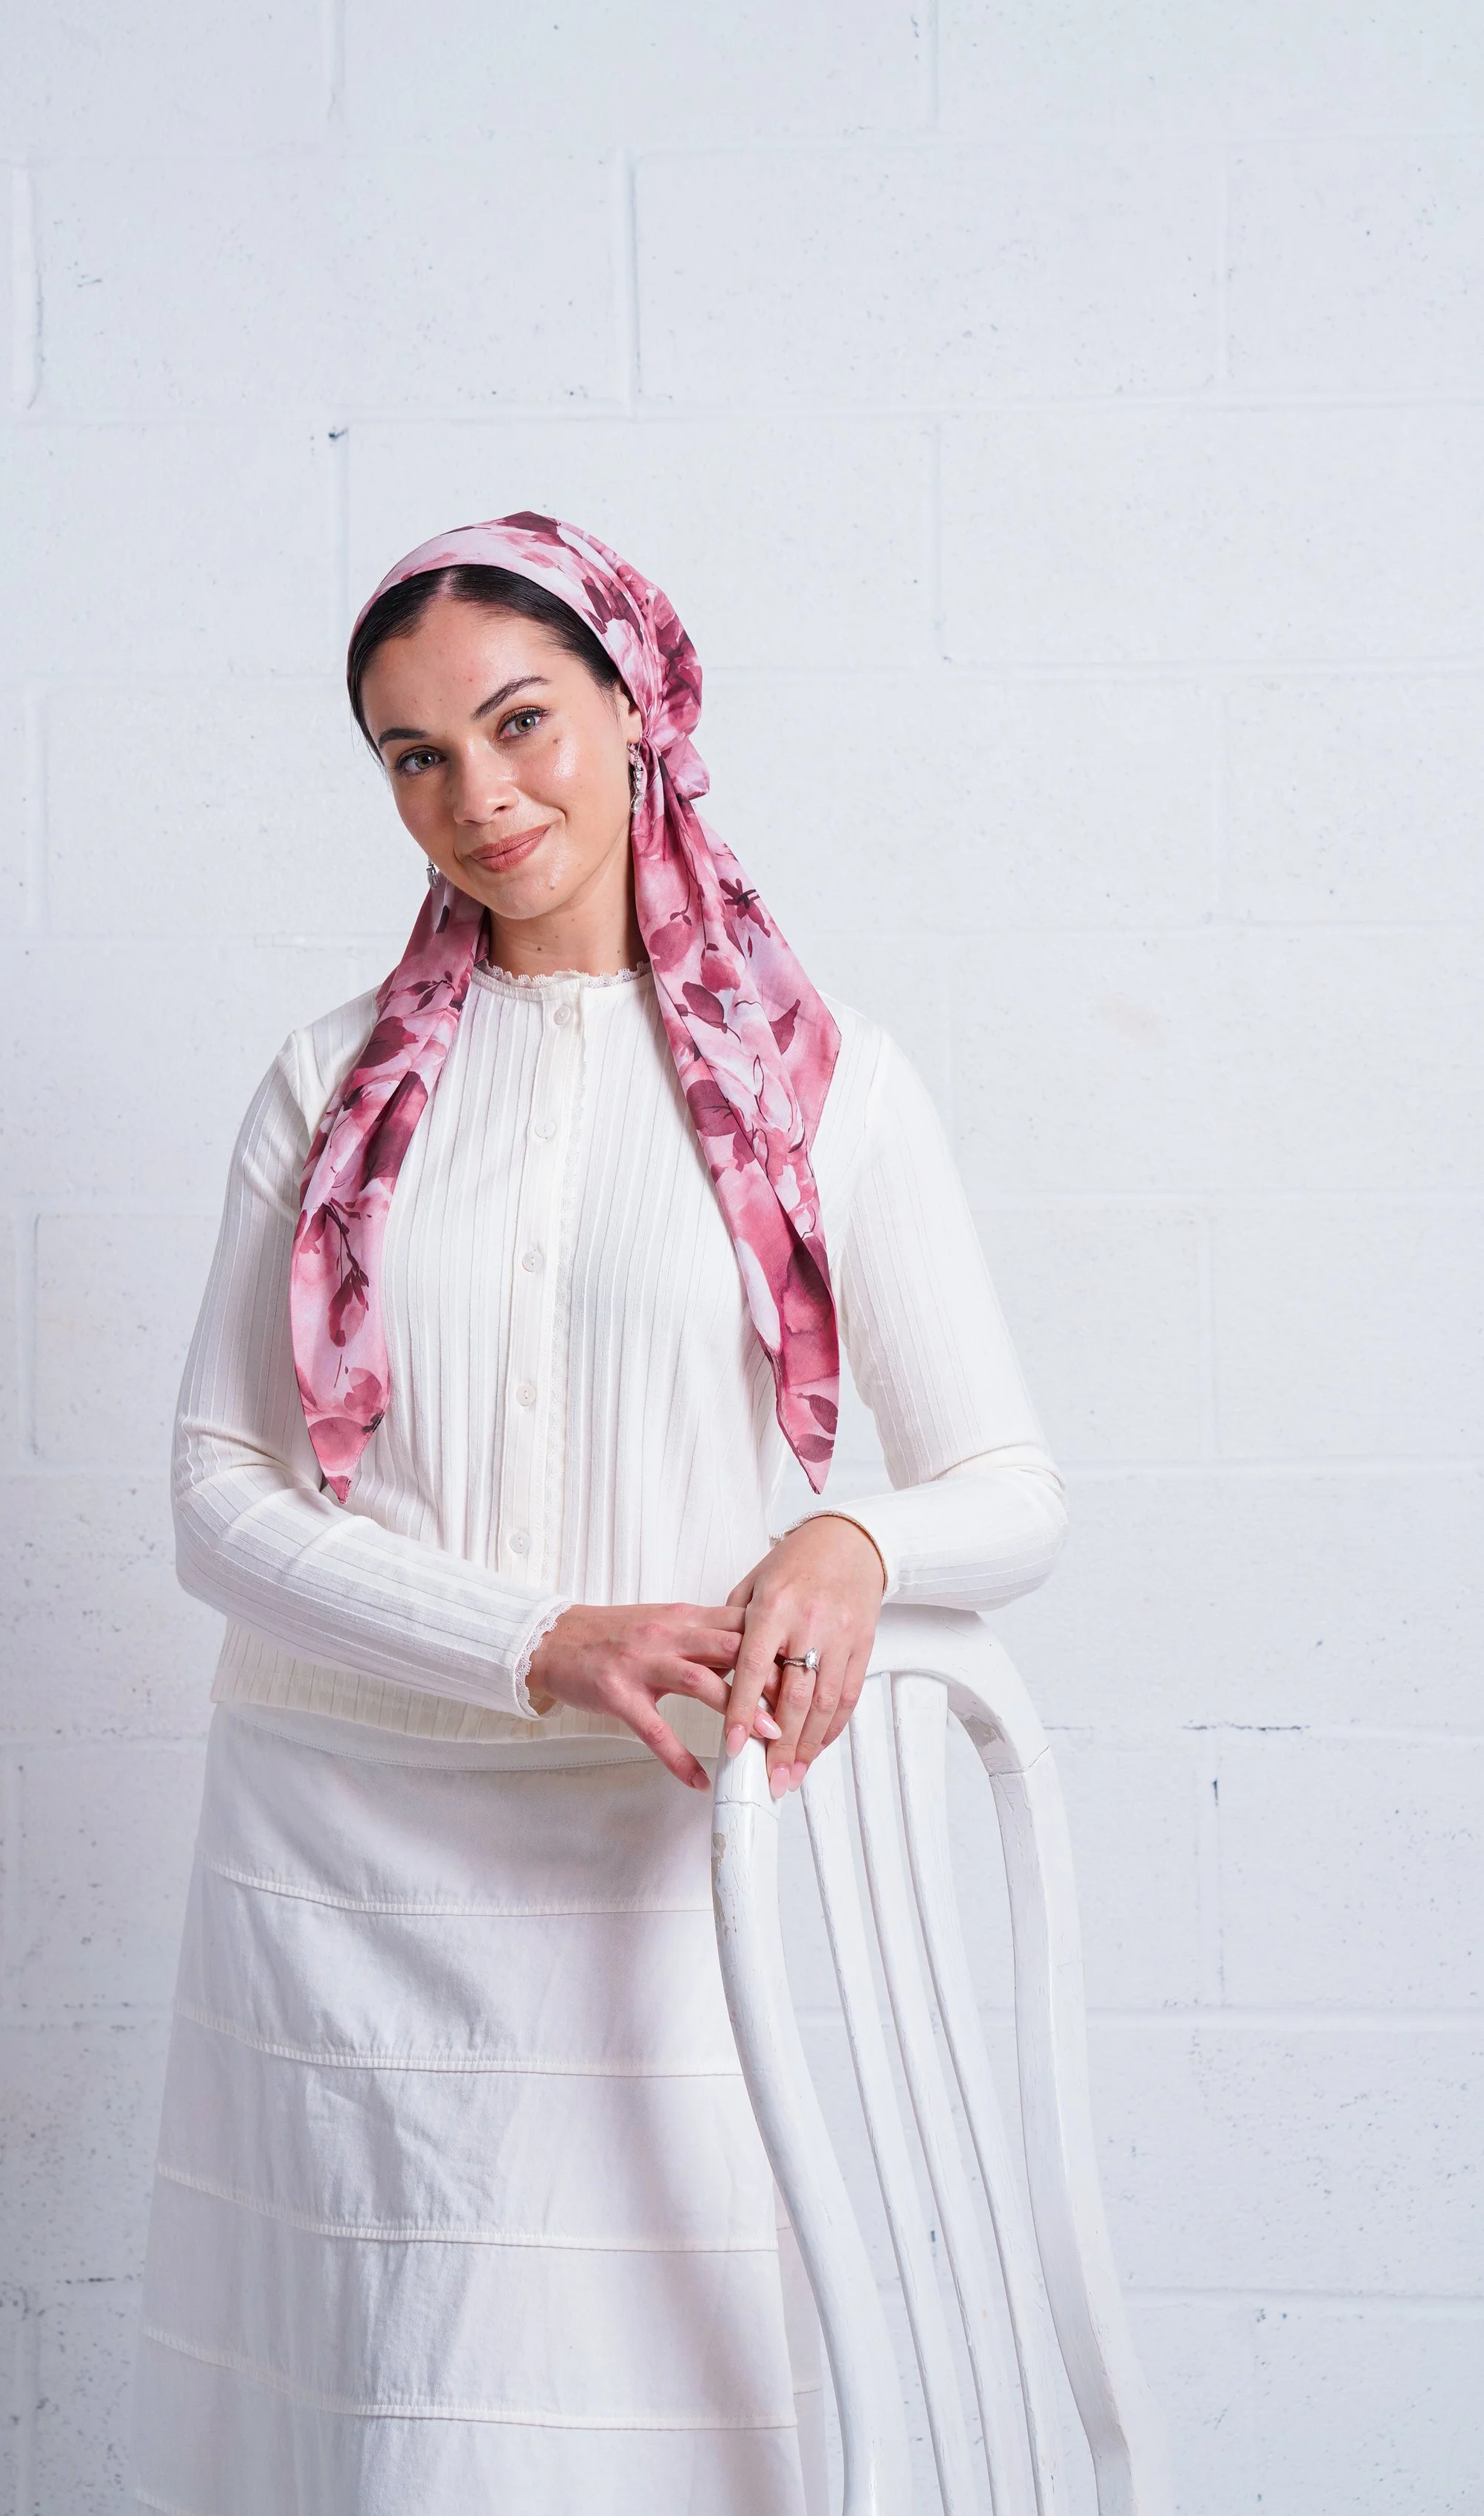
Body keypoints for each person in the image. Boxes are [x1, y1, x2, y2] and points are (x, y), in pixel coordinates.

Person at [128, 513, 1067, 2516]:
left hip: (644, 1861)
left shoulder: (826, 1090)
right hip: (332, 1849)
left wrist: (850, 1540)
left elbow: (1010, 1487)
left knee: (617, 2426)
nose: (480, 796)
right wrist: (536, 1640)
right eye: (413, 756)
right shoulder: (324, 1083)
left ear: (641, 704)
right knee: (362, 2420)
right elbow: (216, 1501)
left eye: (521, 719)